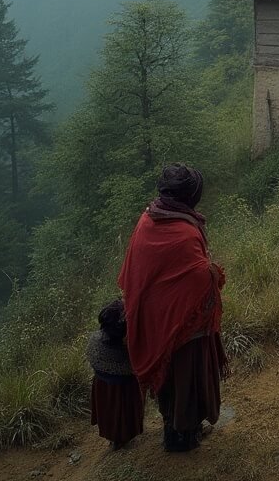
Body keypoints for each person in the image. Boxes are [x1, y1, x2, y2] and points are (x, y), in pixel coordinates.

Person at [117, 163, 228, 453]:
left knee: (170, 385)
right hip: (183, 325)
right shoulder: (185, 231)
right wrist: (213, 274)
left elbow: (137, 273)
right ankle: (184, 437)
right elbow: (198, 278)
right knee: (187, 382)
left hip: (156, 319)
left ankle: (173, 430)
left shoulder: (148, 218)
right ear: (190, 196)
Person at [86, 299, 144, 449]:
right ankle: (125, 436)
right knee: (124, 410)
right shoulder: (126, 352)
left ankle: (115, 439)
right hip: (124, 384)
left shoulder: (95, 343)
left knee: (109, 410)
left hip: (103, 383)